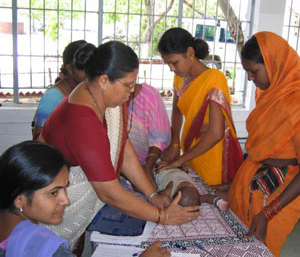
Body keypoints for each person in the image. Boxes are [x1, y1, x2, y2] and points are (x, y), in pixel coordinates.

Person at [39, 41, 200, 248]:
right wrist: (163, 216)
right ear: (104, 80)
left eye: (134, 83)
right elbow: (109, 193)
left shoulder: (99, 95)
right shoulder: (82, 118)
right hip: (52, 204)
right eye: (127, 84)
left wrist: (151, 195)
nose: (132, 91)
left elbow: (124, 150)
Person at [228, 32, 300, 256]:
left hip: (281, 192)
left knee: (262, 247)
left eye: (254, 71)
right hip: (254, 181)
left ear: (274, 64)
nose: (251, 78)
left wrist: (267, 213)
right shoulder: (268, 98)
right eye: (247, 73)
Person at [0, 141, 171, 257]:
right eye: (53, 193)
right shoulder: (43, 248)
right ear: (19, 199)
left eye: (65, 188)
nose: (65, 200)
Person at [156, 27, 243, 186]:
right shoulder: (179, 78)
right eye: (168, 64)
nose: (172, 69)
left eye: (174, 63)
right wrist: (175, 144)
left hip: (210, 154)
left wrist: (179, 160)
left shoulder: (214, 78)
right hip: (191, 152)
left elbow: (216, 133)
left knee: (210, 200)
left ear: (190, 53)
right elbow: (177, 112)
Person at [32, 40, 88, 140]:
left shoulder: (83, 92)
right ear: (70, 69)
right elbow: (38, 138)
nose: (89, 74)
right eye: (84, 69)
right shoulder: (52, 97)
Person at [127, 83, 171, 187]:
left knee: (188, 195)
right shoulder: (107, 97)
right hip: (121, 166)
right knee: (141, 186)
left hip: (152, 162)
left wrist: (148, 167)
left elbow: (159, 139)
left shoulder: (150, 95)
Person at [156, 167, 228, 211]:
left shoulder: (194, 197)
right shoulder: (170, 188)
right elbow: (161, 196)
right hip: (164, 173)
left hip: (180, 173)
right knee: (160, 167)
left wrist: (219, 202)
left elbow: (207, 197)